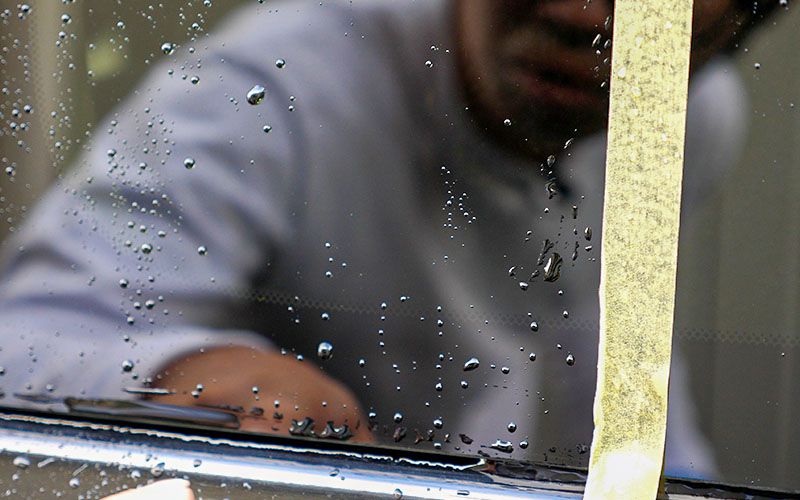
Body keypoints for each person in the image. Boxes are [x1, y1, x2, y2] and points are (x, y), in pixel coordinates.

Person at [0, 0, 776, 479]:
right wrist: (206, 373)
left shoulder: (693, 121)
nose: (579, 14)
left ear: (737, 25)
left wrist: (669, 472)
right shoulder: (272, 86)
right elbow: (25, 339)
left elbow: (602, 344)